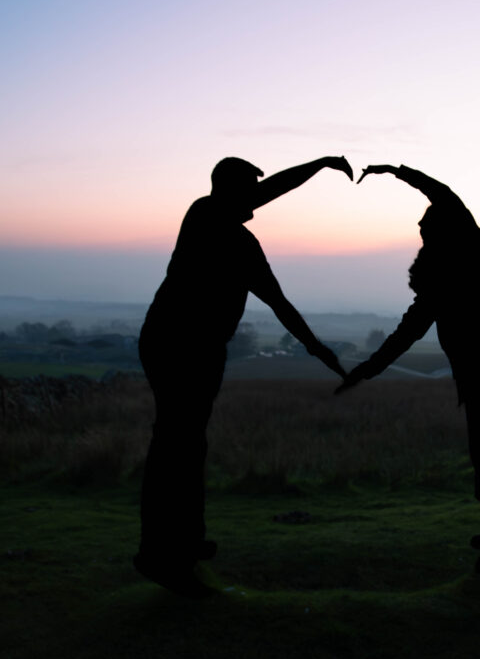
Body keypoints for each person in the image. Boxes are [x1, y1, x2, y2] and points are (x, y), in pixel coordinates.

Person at [135, 156, 352, 596]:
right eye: (249, 191)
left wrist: (316, 348)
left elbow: (278, 301)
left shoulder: (234, 237)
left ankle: (186, 542)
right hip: (179, 348)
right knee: (177, 445)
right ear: (230, 190)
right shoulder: (208, 217)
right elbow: (280, 298)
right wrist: (322, 164)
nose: (256, 200)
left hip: (191, 348)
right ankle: (162, 556)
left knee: (186, 443)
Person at [337, 164, 480, 573]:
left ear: (445, 227)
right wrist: (367, 369)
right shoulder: (438, 285)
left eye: (426, 225)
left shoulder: (470, 247)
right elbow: (405, 333)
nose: (420, 227)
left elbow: (440, 192)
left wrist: (395, 171)